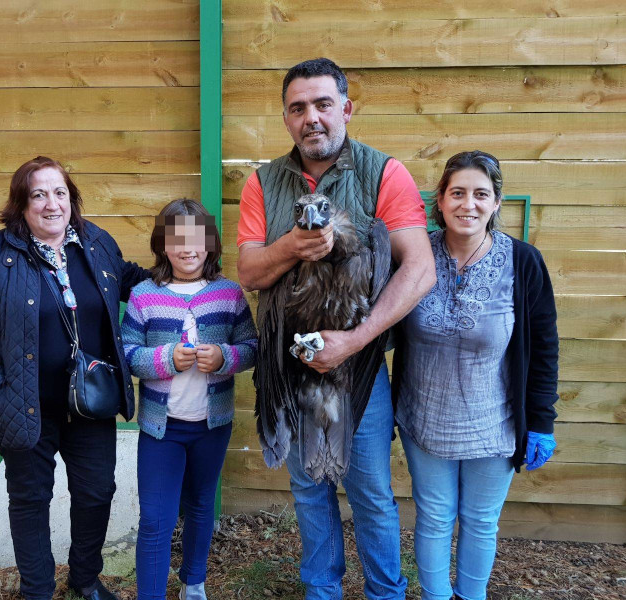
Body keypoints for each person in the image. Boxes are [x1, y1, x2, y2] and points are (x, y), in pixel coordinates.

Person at [236, 57, 436, 599]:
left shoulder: (383, 173)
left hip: (360, 364)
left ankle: (384, 593)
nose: (312, 118)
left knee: (368, 489)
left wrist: (353, 341)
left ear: (345, 108)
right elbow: (250, 271)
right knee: (307, 487)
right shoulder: (263, 182)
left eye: (323, 104)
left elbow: (419, 269)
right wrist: (290, 248)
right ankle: (321, 591)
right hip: (290, 363)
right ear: (286, 119)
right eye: (298, 108)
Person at [0, 156, 148, 600]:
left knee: (97, 492)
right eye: (38, 194)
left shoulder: (97, 244)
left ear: (72, 199)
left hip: (90, 402)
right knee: (30, 501)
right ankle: (36, 589)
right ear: (21, 203)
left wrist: (189, 275)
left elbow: (136, 282)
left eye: (60, 193)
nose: (51, 204)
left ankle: (85, 579)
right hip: (22, 403)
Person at [392, 150, 559, 600]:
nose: (469, 204)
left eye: (481, 194)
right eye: (458, 193)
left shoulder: (523, 262)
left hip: (495, 422)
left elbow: (544, 348)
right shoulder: (414, 254)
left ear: (497, 202)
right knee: (433, 516)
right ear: (440, 201)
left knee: (482, 520)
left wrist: (541, 421)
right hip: (424, 417)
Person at [122, 199, 257, 600]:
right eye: (176, 239)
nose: (187, 249)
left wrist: (224, 357)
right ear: (162, 244)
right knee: (155, 520)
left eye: (196, 238)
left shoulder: (228, 294)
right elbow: (127, 353)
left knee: (201, 506)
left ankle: (193, 582)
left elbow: (252, 346)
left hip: (211, 426)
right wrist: (165, 359)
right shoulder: (145, 296)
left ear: (210, 243)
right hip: (161, 431)